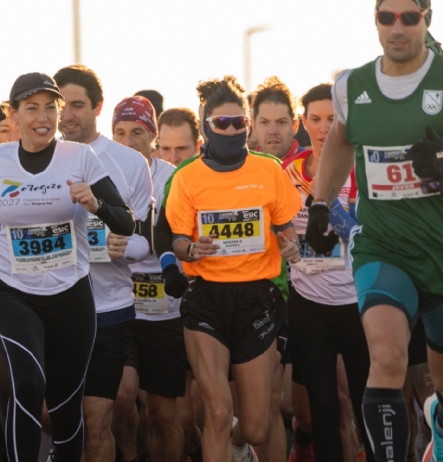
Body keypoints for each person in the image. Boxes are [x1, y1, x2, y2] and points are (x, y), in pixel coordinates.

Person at [0, 71, 135, 461]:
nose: (43, 117)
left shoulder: (79, 157)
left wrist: (95, 204)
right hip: (15, 295)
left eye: (50, 107)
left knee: (65, 410)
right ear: (13, 115)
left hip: (72, 297)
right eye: (32, 108)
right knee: (27, 386)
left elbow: (126, 221)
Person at [308, 0, 443, 460]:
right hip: (385, 246)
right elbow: (341, 142)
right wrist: (320, 203)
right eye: (388, 18)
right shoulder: (352, 86)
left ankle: (439, 429)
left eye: (410, 17)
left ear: (427, 18)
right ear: (376, 20)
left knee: (442, 383)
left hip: (441, 247)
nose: (398, 27)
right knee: (386, 358)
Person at [165, 76, 301, 462]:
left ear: (247, 124)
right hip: (206, 297)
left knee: (256, 426)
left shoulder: (269, 170)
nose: (229, 130)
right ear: (206, 125)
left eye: (237, 123)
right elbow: (174, 239)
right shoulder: (187, 176)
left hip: (257, 297)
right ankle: (223, 441)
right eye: (220, 124)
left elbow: (285, 228)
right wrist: (190, 248)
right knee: (219, 412)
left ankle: (237, 446)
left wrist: (291, 246)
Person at [54, 65, 153, 462]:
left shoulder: (130, 163)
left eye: (78, 105)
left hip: (108, 308)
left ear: (97, 107)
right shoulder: (36, 161)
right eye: (61, 106)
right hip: (52, 308)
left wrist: (123, 246)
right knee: (54, 416)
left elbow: (146, 241)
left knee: (98, 419)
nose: (67, 115)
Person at [284, 83, 373, 461]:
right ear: (303, 122)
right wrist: (287, 244)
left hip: (357, 300)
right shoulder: (288, 173)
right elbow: (276, 224)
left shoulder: (364, 166)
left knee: (367, 399)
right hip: (308, 302)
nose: (323, 129)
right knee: (322, 404)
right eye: (316, 119)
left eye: (332, 119)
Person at [112, 95, 203, 462]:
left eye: (137, 132)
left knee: (167, 417)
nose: (129, 140)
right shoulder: (100, 174)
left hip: (168, 309)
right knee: (121, 397)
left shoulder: (172, 178)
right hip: (120, 304)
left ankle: (192, 451)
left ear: (152, 136)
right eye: (120, 132)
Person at [251, 77, 304, 164]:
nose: (273, 131)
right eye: (264, 122)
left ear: (295, 126)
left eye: (281, 122)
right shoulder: (245, 169)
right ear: (253, 127)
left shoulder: (311, 169)